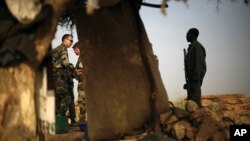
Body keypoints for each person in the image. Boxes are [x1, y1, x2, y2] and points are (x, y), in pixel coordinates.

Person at [52, 34, 76, 124]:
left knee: (58, 99)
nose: (71, 43)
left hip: (56, 77)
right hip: (59, 77)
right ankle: (61, 118)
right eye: (71, 40)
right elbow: (66, 63)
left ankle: (57, 121)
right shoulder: (62, 48)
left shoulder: (57, 49)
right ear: (65, 40)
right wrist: (74, 70)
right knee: (66, 97)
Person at [183, 28, 206, 107]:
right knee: (191, 104)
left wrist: (195, 80)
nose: (186, 36)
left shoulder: (197, 47)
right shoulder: (192, 47)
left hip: (194, 80)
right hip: (192, 80)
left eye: (187, 34)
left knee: (195, 104)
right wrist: (188, 83)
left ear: (193, 35)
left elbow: (199, 64)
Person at [72, 42, 86, 123]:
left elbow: (81, 71)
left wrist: (77, 72)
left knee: (82, 103)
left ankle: (82, 121)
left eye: (75, 50)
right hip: (81, 83)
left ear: (78, 48)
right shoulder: (81, 57)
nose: (74, 52)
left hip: (83, 84)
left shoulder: (82, 57)